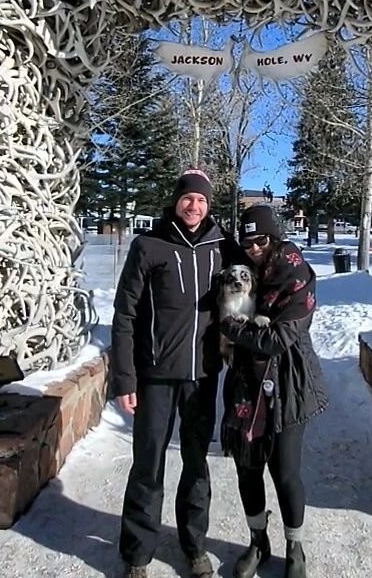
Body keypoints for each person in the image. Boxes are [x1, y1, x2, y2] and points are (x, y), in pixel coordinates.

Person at [110, 170, 241, 578]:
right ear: (177, 200)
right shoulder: (149, 245)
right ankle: (137, 554)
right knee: (148, 465)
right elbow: (124, 314)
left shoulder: (222, 246)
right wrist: (125, 379)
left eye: (201, 200)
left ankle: (194, 545)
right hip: (154, 377)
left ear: (209, 205)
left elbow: (259, 269)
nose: (194, 206)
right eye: (188, 198)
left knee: (197, 462)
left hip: (202, 376)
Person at [220, 205, 328, 578]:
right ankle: (257, 541)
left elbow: (278, 339)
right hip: (245, 386)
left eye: (261, 239)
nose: (253, 248)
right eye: (247, 241)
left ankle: (294, 547)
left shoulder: (294, 271)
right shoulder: (246, 270)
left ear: (275, 237)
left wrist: (232, 331)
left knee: (285, 471)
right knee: (247, 469)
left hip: (288, 383)